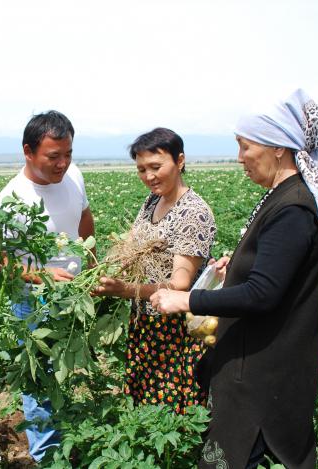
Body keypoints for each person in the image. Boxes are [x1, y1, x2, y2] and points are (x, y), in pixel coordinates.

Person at [150, 89, 318, 469]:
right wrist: (241, 264)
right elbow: (278, 269)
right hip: (264, 364)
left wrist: (186, 300)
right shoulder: (286, 197)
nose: (240, 159)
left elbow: (262, 293)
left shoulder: (292, 207)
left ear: (278, 147)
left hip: (261, 373)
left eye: (245, 146)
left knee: (233, 456)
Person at [0, 110, 96, 462]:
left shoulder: (74, 176)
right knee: (39, 376)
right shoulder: (10, 201)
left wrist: (91, 261)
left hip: (75, 292)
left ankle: (70, 431)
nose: (62, 164)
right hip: (32, 300)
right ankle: (47, 453)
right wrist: (42, 276)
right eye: (54, 156)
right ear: (28, 151)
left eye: (68, 154)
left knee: (72, 366)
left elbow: (84, 216)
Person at [94, 127, 216, 413]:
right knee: (146, 401)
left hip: (175, 329)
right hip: (146, 321)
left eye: (156, 167)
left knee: (173, 404)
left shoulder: (193, 213)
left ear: (180, 161)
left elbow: (179, 287)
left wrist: (124, 290)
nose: (149, 176)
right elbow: (131, 247)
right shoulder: (153, 200)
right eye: (141, 169)